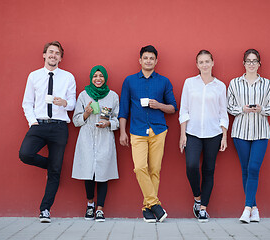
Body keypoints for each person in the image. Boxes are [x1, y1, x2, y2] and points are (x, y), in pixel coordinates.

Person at [19, 41, 76, 223]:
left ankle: (45, 209)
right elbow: (27, 102)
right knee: (25, 154)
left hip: (59, 126)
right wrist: (33, 122)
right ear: (44, 55)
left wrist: (64, 103)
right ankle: (51, 165)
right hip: (39, 125)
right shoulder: (34, 76)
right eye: (50, 52)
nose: (53, 56)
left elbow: (73, 103)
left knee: (55, 172)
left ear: (61, 57)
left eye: (57, 53)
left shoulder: (68, 77)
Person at [118, 45, 177, 223]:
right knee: (140, 167)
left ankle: (147, 209)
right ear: (140, 60)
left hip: (159, 130)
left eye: (152, 58)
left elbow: (173, 108)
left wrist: (158, 105)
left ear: (156, 61)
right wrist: (122, 132)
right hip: (136, 131)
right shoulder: (129, 81)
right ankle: (155, 204)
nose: (148, 61)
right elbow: (123, 109)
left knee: (155, 170)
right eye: (145, 58)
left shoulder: (164, 81)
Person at [178, 50, 229, 222]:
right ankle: (197, 198)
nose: (205, 65)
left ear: (213, 63)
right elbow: (184, 109)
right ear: (197, 65)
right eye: (201, 62)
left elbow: (223, 112)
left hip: (213, 133)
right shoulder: (189, 83)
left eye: (207, 61)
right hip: (192, 132)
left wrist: (224, 136)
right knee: (191, 165)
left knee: (209, 170)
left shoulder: (220, 86)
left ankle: (203, 208)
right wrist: (182, 134)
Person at [227, 49, 270, 223]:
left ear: (259, 64)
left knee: (254, 168)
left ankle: (247, 209)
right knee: (246, 169)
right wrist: (242, 109)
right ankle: (254, 209)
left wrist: (261, 109)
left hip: (261, 132)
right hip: (240, 132)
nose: (251, 64)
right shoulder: (234, 83)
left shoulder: (267, 84)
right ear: (243, 63)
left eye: (255, 61)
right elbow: (229, 107)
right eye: (248, 61)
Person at [72, 65, 119, 222]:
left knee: (103, 173)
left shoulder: (112, 96)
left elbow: (117, 120)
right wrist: (85, 113)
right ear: (91, 78)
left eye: (101, 76)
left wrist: (109, 124)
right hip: (87, 138)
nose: (98, 79)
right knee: (88, 173)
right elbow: (76, 121)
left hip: (105, 137)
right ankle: (90, 204)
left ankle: (100, 209)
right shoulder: (83, 95)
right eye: (95, 76)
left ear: (105, 78)